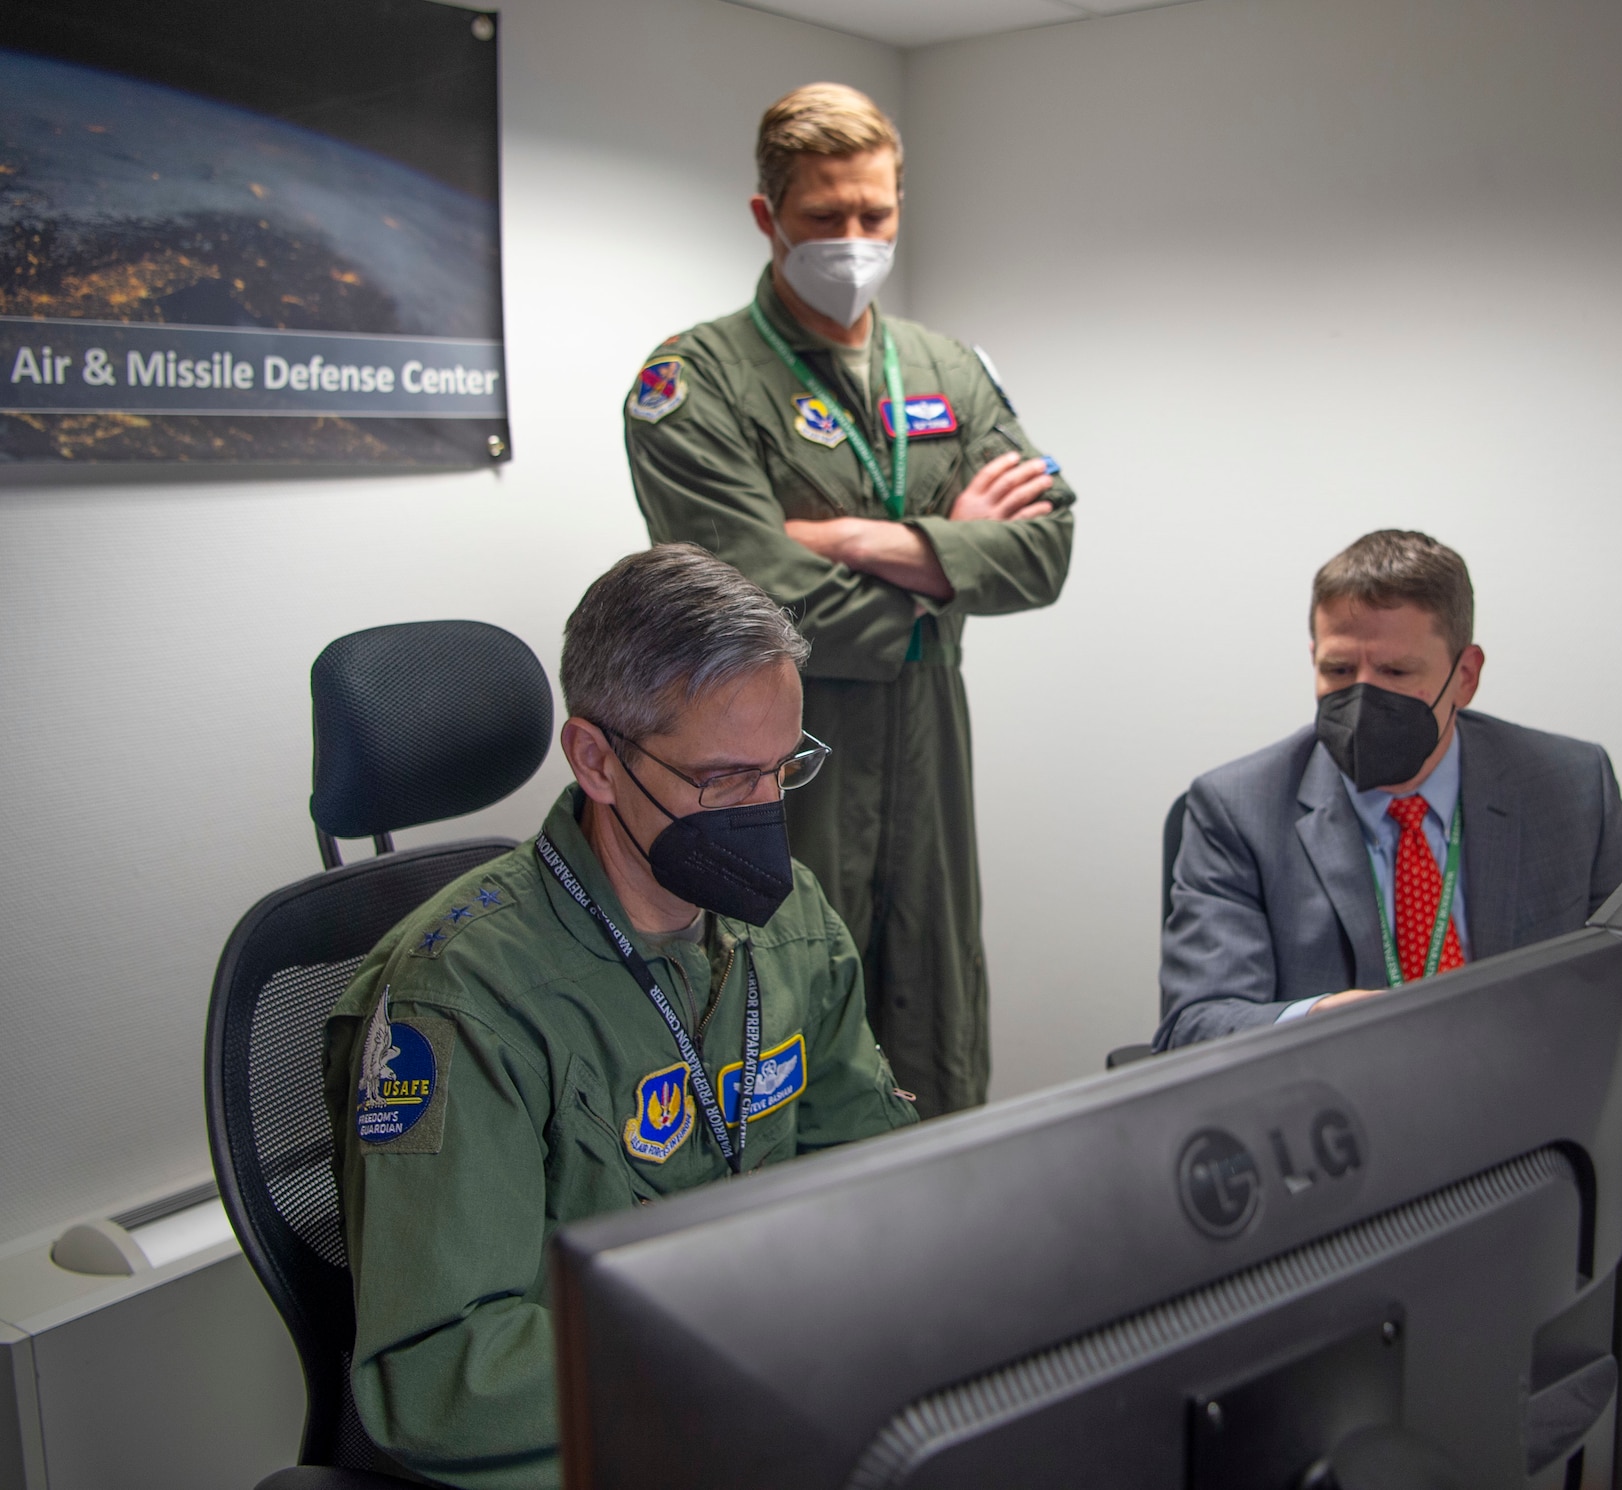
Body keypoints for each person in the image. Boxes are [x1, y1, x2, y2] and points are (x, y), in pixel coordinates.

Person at [323, 544, 917, 1490]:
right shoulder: (459, 1000)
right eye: (724, 779)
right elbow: (445, 1373)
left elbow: (870, 1172)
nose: (764, 811)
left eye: (783, 768)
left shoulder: (790, 917)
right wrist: (731, 1371)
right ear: (597, 761)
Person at [622, 83, 1076, 1119]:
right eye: (824, 217)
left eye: (874, 214)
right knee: (780, 1004)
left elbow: (1045, 549)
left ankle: (941, 1250)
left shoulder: (946, 369)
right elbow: (746, 589)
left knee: (931, 999)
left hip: (928, 741)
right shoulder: (693, 381)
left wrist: (861, 539)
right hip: (773, 750)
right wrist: (948, 567)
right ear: (766, 215)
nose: (854, 238)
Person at [1154, 529, 1622, 1049]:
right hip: (1340, 1105)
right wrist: (1317, 1022)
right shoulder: (1236, 809)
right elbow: (1192, 1027)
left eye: (1395, 670)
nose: (1363, 696)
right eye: (1338, 670)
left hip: (1528, 1100)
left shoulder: (1571, 785)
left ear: (1465, 677)